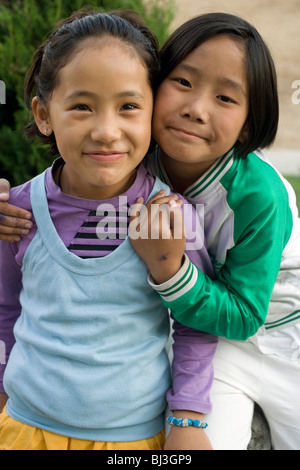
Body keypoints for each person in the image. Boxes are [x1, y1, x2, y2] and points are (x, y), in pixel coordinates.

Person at [3, 12, 300, 450]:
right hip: (210, 339)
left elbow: (240, 316)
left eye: (226, 98)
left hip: (276, 329)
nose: (196, 109)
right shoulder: (136, 151)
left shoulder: (260, 196)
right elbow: (71, 189)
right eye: (183, 82)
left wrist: (169, 268)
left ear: (250, 121)